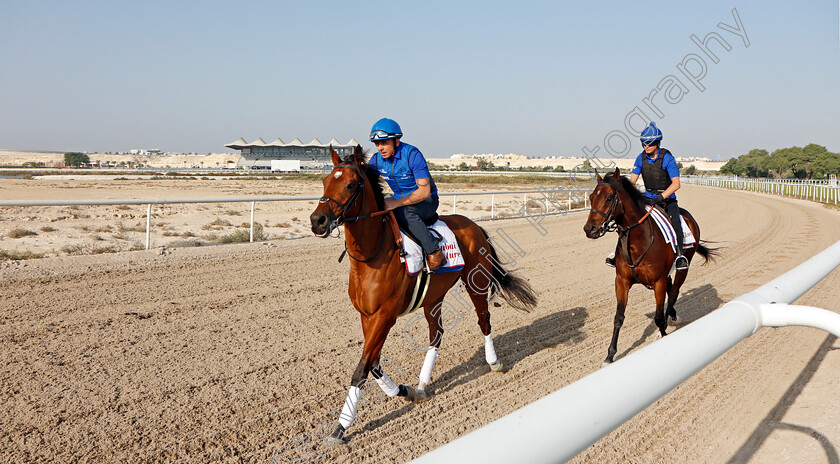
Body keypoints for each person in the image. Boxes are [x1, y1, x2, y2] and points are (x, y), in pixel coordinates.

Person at [606, 121, 689, 271]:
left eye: (648, 143)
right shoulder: (640, 158)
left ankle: (679, 256)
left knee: (675, 222)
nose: (646, 146)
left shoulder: (668, 158)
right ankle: (618, 254)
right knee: (626, 220)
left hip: (666, 200)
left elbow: (676, 184)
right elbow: (632, 181)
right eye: (643, 143)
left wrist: (660, 198)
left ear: (657, 142)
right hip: (647, 199)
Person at [367, 118, 447, 271]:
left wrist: (395, 203)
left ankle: (435, 252)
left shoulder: (412, 154)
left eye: (384, 143)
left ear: (396, 141)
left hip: (427, 200)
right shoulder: (376, 160)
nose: (380, 148)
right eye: (377, 144)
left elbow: (424, 192)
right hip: (399, 198)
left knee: (404, 211)